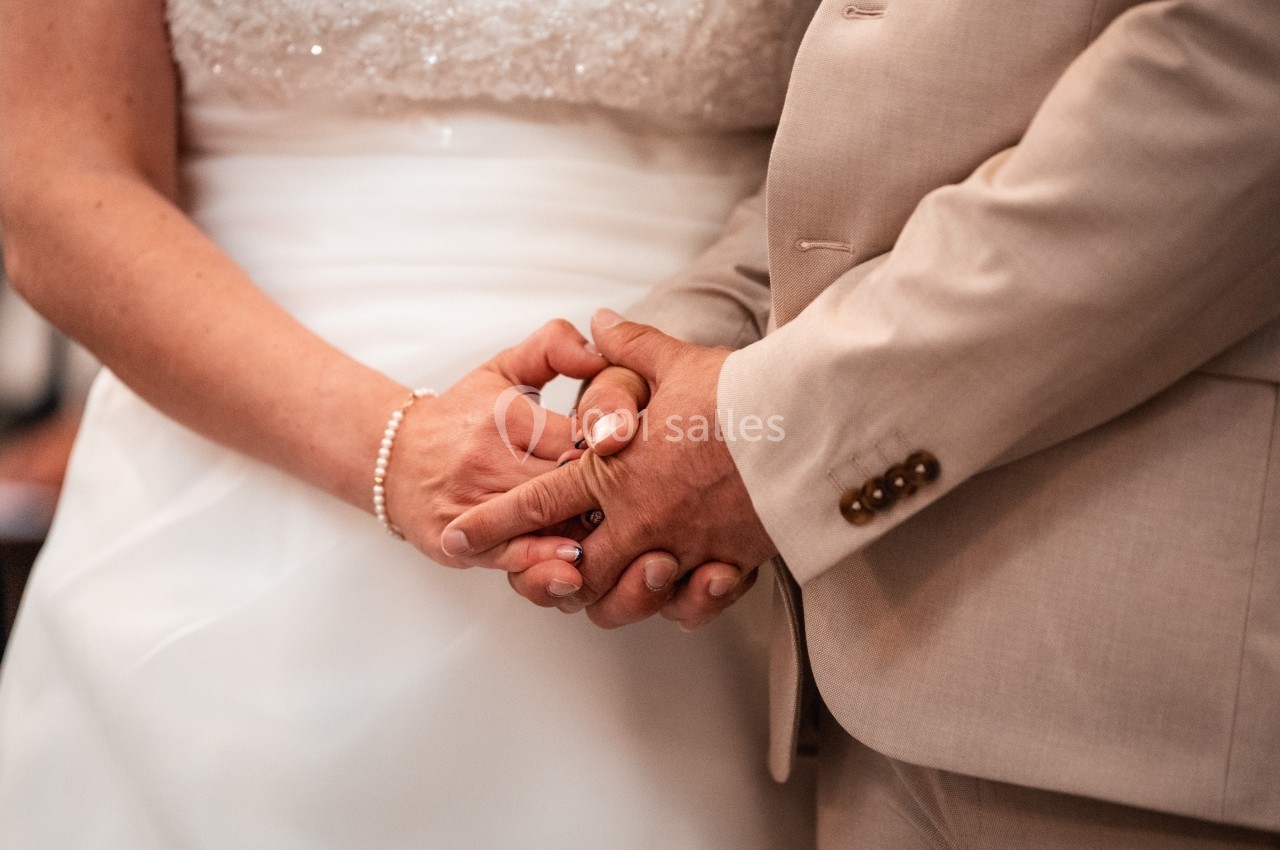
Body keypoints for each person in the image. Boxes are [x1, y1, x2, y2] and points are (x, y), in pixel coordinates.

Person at [445, 1, 1280, 846]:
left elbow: (1237, 77)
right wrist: (676, 354)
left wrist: (760, 438)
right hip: (859, 695)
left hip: (1139, 683)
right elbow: (861, 125)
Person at [0, 1, 819, 847]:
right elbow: (63, 180)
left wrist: (703, 410)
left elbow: (901, 130)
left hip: (702, 457)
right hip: (228, 479)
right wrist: (399, 450)